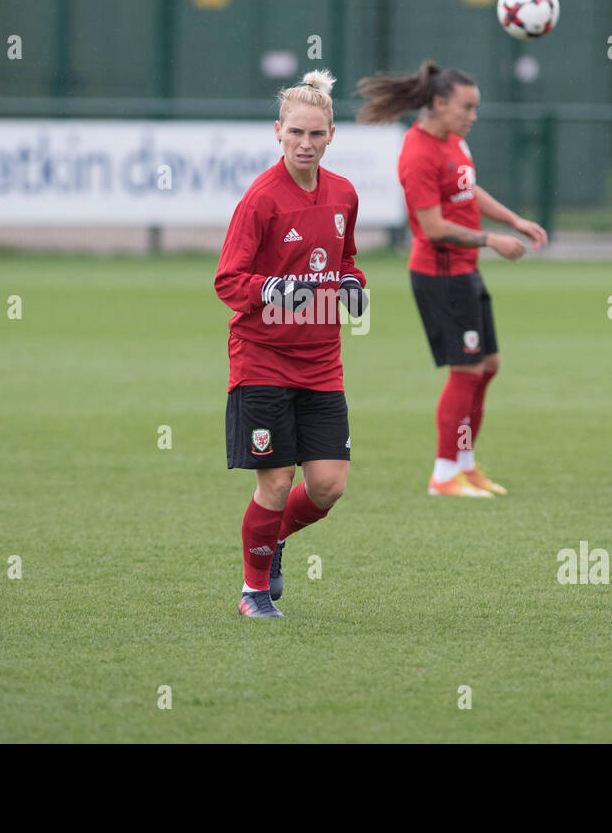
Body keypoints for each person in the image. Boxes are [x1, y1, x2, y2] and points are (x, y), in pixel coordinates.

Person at [215, 69, 368, 617]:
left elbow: (345, 261)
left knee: (327, 487)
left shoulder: (344, 194)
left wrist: (354, 286)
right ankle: (254, 593)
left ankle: (273, 539)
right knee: (275, 483)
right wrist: (275, 288)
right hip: (262, 362)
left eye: (316, 135)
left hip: (322, 364)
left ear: (332, 136)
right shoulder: (260, 200)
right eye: (295, 133)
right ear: (277, 131)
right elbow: (228, 281)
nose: (305, 144)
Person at [356, 61, 547, 497]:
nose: (473, 116)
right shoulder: (417, 152)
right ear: (439, 103)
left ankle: (464, 464)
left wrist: (514, 220)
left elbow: (467, 189)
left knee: (487, 367)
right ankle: (443, 475)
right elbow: (434, 227)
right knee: (467, 369)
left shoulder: (455, 142)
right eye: (467, 107)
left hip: (465, 272)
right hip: (439, 276)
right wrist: (492, 240)